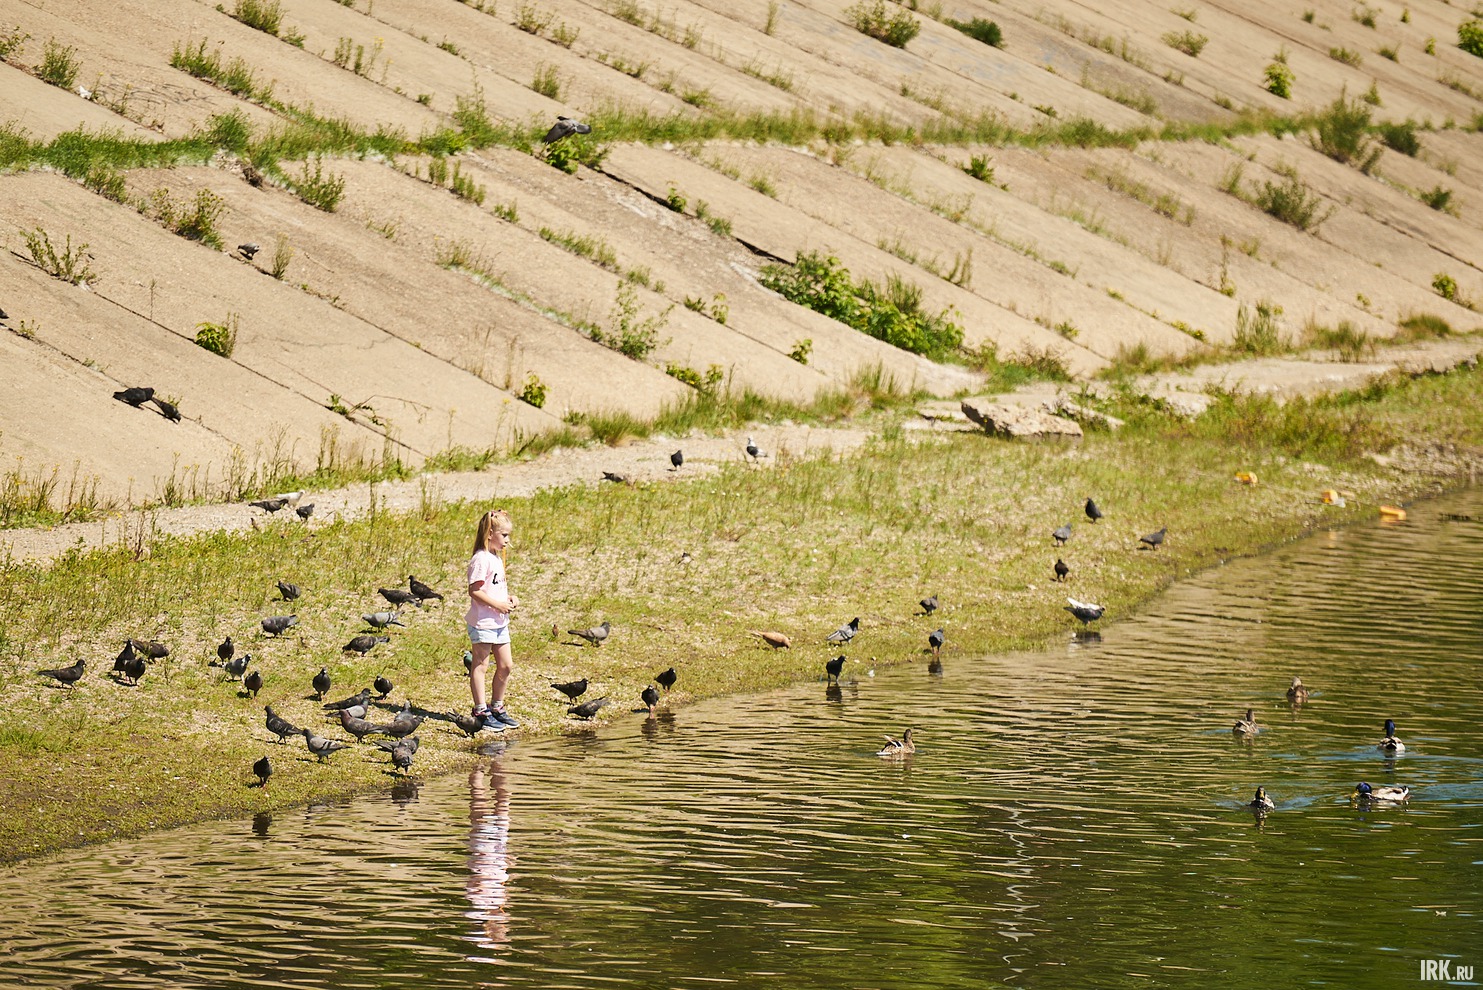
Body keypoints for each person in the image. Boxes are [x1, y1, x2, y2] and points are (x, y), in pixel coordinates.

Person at [466, 508, 520, 729]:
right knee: (480, 664)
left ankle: (497, 706)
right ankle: (480, 710)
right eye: (504, 535)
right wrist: (497, 604)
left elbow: (494, 587)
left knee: (506, 665)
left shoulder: (496, 558)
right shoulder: (481, 559)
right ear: (490, 533)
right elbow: (475, 590)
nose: (507, 540)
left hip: (499, 622)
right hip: (484, 621)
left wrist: (509, 598)